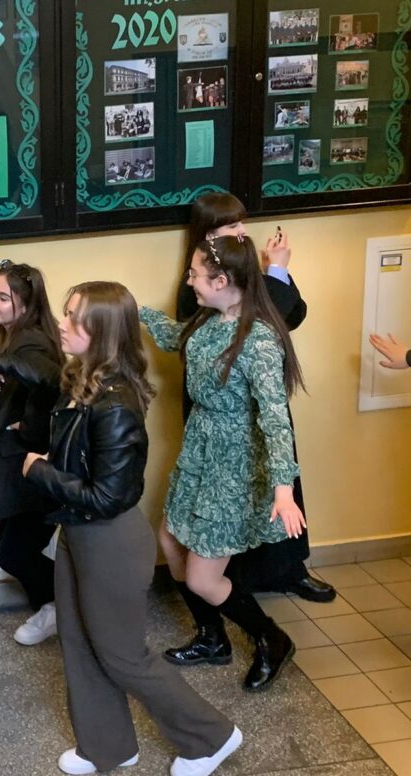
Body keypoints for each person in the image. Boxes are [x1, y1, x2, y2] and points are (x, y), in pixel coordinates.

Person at [24, 282, 241, 776]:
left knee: (123, 657)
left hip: (109, 541)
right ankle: (108, 747)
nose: (61, 322)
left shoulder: (116, 403)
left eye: (73, 316)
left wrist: (40, 472)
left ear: (101, 331)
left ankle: (212, 737)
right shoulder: (82, 380)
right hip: (77, 531)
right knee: (78, 640)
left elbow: (109, 497)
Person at [142, 235, 305, 692]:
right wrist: (132, 310)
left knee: (202, 577)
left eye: (195, 274)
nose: (188, 281)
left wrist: (283, 490)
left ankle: (271, 637)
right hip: (199, 452)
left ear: (220, 281)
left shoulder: (259, 341)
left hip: (232, 468)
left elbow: (275, 419)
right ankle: (212, 637)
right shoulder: (209, 321)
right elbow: (175, 337)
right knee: (170, 541)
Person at [174, 192, 336, 605]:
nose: (242, 231)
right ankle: (231, 589)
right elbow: (256, 320)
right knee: (228, 511)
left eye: (241, 223)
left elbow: (290, 315)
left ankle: (287, 572)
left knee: (279, 491)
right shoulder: (199, 285)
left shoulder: (245, 274)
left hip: (259, 411)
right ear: (210, 235)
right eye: (232, 226)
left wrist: (277, 271)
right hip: (222, 420)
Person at [0, 261, 62, 645]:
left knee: (14, 554)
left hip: (31, 466)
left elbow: (52, 379)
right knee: (14, 549)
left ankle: (65, 604)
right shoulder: (15, 337)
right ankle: (51, 607)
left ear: (25, 305)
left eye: (3, 297)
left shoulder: (33, 342)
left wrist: (27, 427)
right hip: (17, 464)